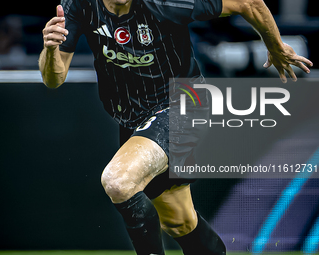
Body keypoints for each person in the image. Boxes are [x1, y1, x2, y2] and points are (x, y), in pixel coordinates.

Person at [39, 0, 313, 254]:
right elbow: (54, 79)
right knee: (179, 222)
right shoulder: (79, 6)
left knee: (119, 180)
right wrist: (51, 50)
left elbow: (247, 2)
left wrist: (275, 46)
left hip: (184, 101)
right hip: (135, 120)